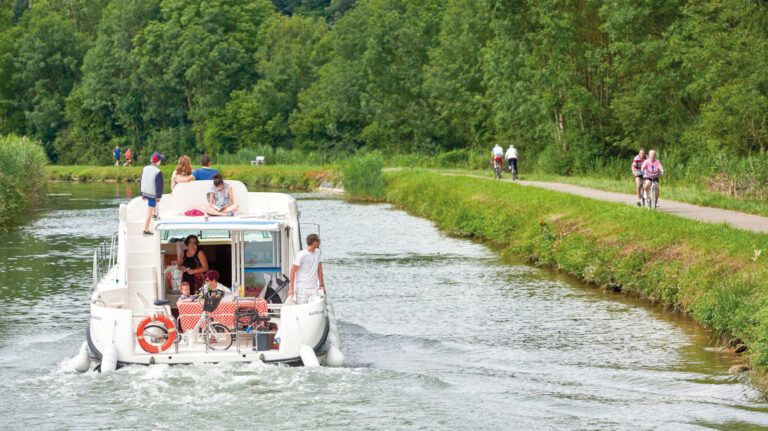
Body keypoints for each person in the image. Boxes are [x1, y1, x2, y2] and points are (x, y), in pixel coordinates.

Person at [288, 233, 325, 305]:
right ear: (314, 242)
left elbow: (320, 269)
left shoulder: (318, 252)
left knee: (314, 309)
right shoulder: (302, 255)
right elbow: (292, 272)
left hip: (314, 288)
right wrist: (291, 289)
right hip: (302, 288)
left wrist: (321, 285)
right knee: (302, 310)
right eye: (318, 241)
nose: (319, 243)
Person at [139, 152, 165, 235]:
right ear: (158, 162)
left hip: (144, 191)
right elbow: (159, 186)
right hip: (151, 194)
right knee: (148, 212)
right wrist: (158, 197)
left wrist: (141, 193)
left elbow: (141, 180)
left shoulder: (145, 168)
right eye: (160, 160)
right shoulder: (158, 171)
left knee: (152, 207)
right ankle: (145, 230)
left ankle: (155, 214)